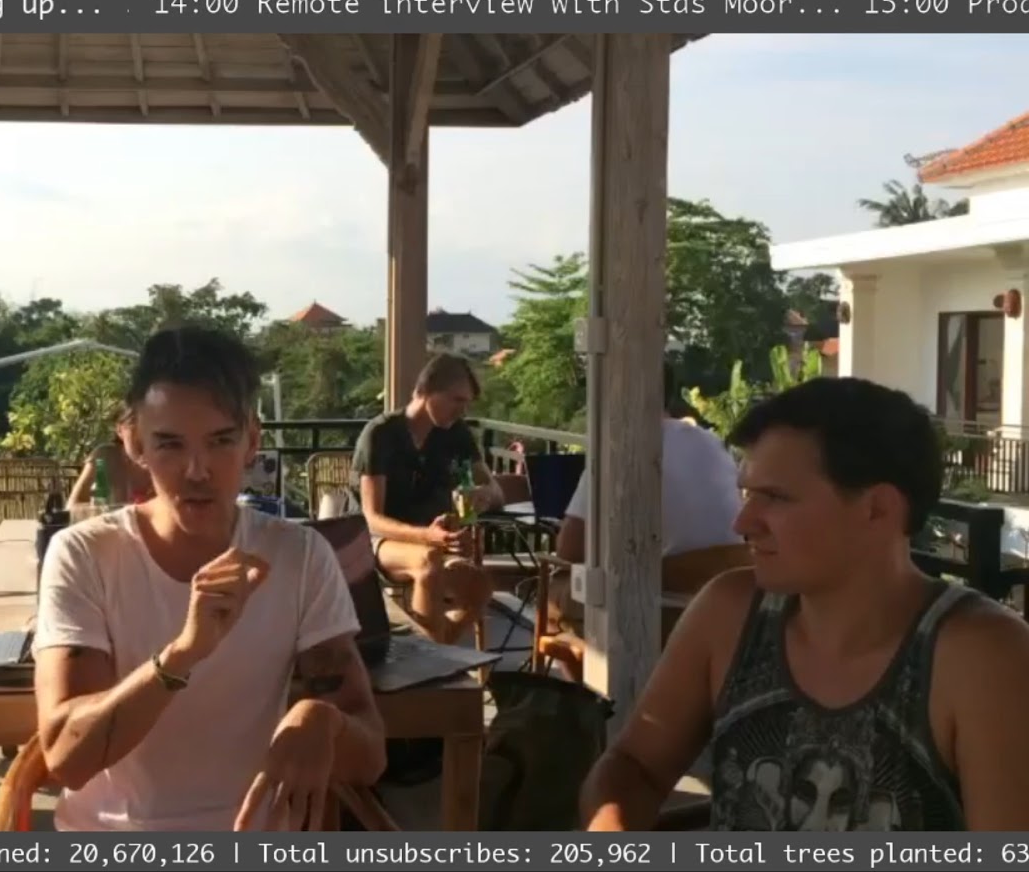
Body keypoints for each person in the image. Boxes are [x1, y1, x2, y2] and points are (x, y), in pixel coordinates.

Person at [580, 377, 1029, 832]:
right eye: (747, 494)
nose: (743, 522)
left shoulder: (982, 656)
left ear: (877, 508)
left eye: (775, 497)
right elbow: (635, 765)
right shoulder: (728, 613)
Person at [33, 325, 387, 831]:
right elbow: (67, 758)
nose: (197, 471)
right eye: (170, 445)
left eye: (221, 441)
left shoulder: (299, 555)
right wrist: (183, 653)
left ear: (252, 441)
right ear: (133, 442)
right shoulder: (85, 554)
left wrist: (323, 721)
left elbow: (370, 756)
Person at [353, 353, 507, 644]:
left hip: (435, 540)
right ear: (424, 391)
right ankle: (435, 656)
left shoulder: (456, 434)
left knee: (479, 586)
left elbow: (496, 491)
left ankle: (437, 648)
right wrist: (427, 536)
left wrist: (483, 495)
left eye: (466, 403)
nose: (461, 411)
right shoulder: (381, 434)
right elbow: (371, 518)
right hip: (374, 541)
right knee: (428, 563)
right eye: (455, 400)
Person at [555, 361, 742, 564]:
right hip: (731, 576)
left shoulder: (621, 450)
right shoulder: (712, 442)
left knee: (566, 577)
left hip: (666, 581)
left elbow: (570, 551)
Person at [68, 405, 154, 505]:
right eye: (135, 423)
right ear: (119, 430)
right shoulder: (103, 458)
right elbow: (73, 505)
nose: (143, 433)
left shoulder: (165, 461)